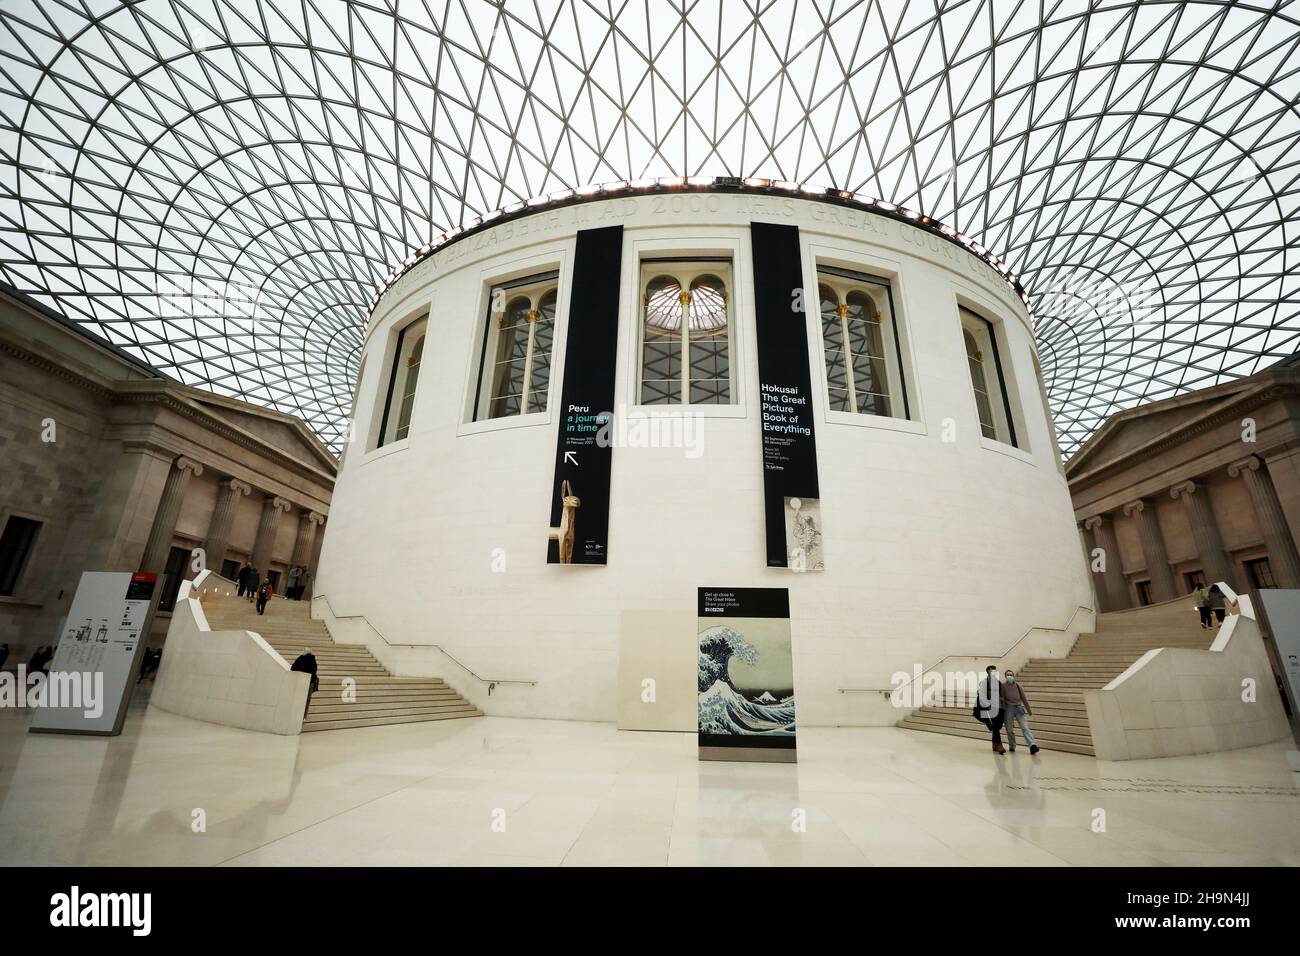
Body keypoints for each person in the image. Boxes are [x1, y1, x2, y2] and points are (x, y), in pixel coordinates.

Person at [1001, 669, 1040, 754]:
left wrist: (1029, 711)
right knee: (1009, 729)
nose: (1009, 676)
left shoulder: (1018, 686)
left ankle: (1032, 745)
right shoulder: (1003, 686)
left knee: (1025, 727)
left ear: (1013, 676)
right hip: (1008, 709)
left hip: (1019, 708)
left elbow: (1024, 699)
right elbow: (1002, 699)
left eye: (1011, 675)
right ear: (1005, 676)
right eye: (1008, 675)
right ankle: (1012, 745)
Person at [975, 665, 1006, 754]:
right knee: (996, 726)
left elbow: (1001, 695)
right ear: (988, 671)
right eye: (992, 670)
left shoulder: (998, 682)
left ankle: (994, 744)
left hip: (1000, 707)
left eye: (995, 670)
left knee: (998, 726)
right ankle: (1000, 745)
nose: (995, 672)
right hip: (991, 708)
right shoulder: (985, 682)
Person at [290, 648, 318, 717]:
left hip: (300, 681)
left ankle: (296, 714)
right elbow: (314, 671)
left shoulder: (300, 658)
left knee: (299, 699)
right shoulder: (312, 659)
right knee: (307, 700)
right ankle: (304, 716)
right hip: (310, 682)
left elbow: (293, 668)